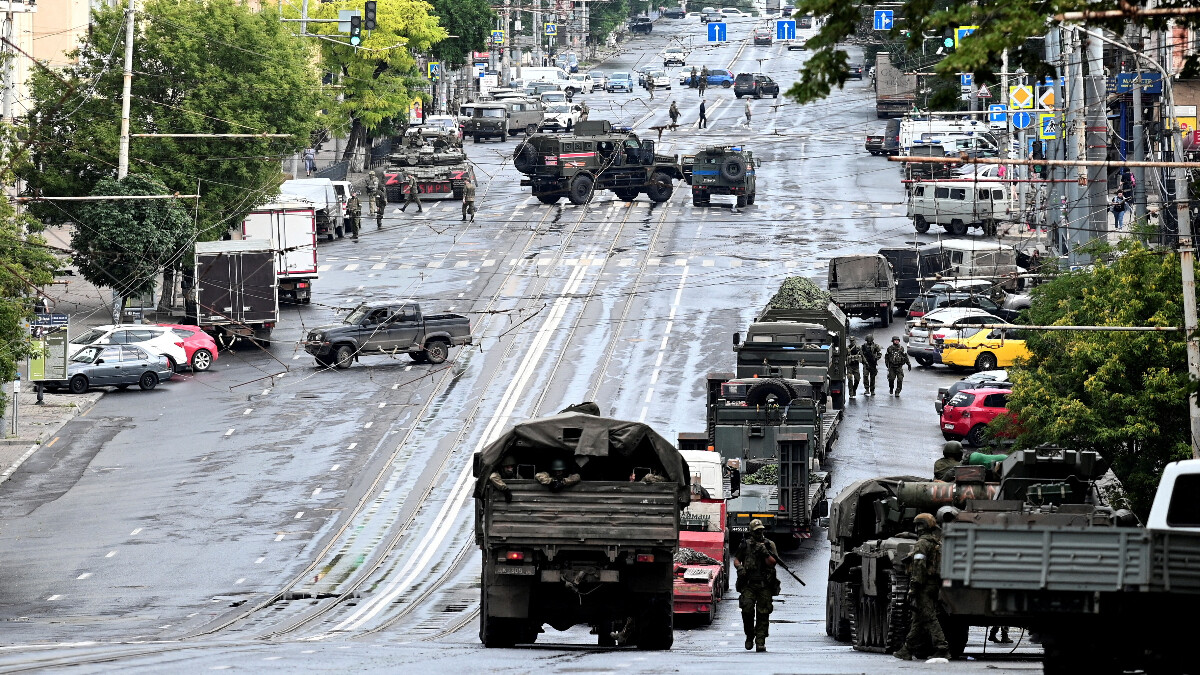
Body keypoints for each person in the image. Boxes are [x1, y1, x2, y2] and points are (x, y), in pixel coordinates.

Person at [894, 513, 950, 661]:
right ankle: (907, 649)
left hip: (923, 585)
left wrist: (914, 587)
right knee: (918, 619)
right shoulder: (935, 542)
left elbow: (919, 567)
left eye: (918, 525)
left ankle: (942, 647)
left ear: (922, 526)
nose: (917, 528)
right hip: (933, 585)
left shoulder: (921, 544)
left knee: (929, 617)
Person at [734, 519, 780, 652]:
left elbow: (773, 563)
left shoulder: (769, 545)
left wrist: (764, 552)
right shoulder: (745, 545)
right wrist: (740, 567)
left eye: (761, 530)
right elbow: (736, 559)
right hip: (748, 584)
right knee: (747, 609)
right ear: (751, 532)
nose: (759, 533)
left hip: (764, 585)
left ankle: (760, 641)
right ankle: (749, 635)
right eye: (756, 531)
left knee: (763, 612)